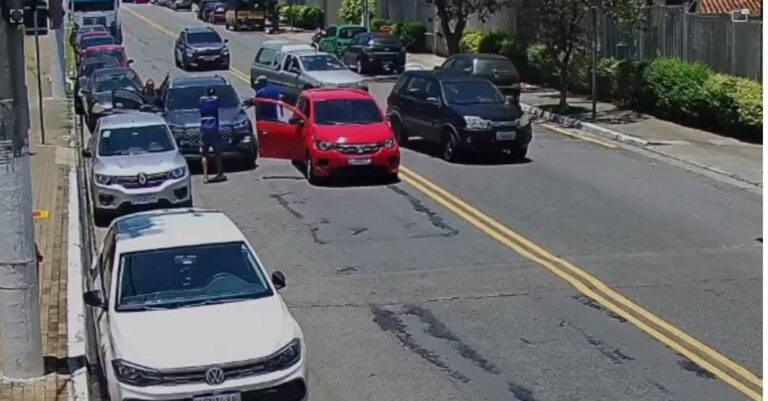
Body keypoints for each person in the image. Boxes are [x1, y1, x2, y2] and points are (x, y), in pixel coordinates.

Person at [199, 87, 227, 183]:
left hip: (204, 129)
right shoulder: (215, 101)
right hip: (214, 129)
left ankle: (205, 176)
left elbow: (201, 99)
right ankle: (219, 173)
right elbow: (217, 98)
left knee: (204, 154)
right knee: (217, 154)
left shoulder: (202, 101)